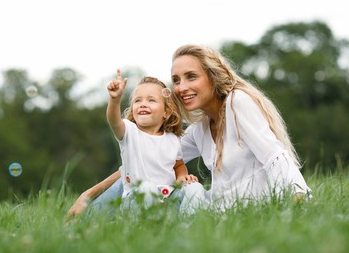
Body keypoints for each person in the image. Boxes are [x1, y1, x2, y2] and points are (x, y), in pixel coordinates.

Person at [66, 44, 311, 217]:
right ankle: (84, 229)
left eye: (191, 77)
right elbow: (147, 159)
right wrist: (89, 193)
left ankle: (82, 228)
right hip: (214, 212)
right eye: (177, 79)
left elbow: (275, 155)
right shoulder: (200, 128)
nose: (181, 87)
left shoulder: (238, 102)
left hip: (246, 211)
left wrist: (300, 197)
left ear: (212, 77)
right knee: (138, 183)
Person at [104, 69, 199, 211]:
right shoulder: (129, 132)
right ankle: (142, 227)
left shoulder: (172, 139)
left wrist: (182, 177)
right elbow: (113, 120)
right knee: (147, 189)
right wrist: (114, 99)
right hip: (137, 198)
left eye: (151, 100)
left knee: (195, 188)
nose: (143, 104)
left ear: (166, 112)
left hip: (168, 198)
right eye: (137, 100)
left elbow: (178, 165)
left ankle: (188, 225)